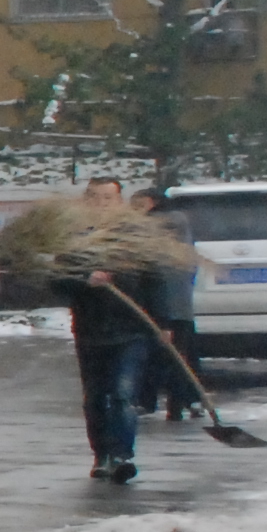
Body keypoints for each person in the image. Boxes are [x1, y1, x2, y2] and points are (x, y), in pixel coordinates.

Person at [55, 181, 164, 484]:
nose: (102, 202)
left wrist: (164, 322)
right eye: (95, 197)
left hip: (131, 329)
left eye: (108, 197)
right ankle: (101, 454)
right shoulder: (73, 240)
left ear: (120, 201)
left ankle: (121, 455)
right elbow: (56, 282)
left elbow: (156, 280)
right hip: (90, 331)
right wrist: (84, 280)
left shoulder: (136, 238)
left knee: (122, 394)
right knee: (95, 398)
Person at [133, 189, 207, 422]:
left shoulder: (171, 221)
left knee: (175, 355)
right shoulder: (172, 223)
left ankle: (181, 403)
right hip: (166, 301)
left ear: (153, 203)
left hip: (171, 302)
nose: (134, 210)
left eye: (139, 205)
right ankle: (165, 401)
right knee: (165, 355)